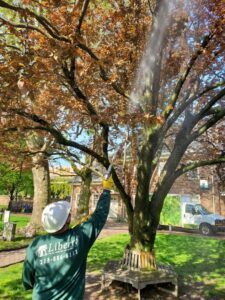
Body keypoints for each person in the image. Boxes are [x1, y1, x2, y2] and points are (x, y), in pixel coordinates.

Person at [22, 175, 114, 300]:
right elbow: (99, 215)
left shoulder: (36, 245)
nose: (70, 214)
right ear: (68, 220)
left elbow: (27, 279)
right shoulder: (80, 237)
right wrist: (107, 189)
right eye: (68, 214)